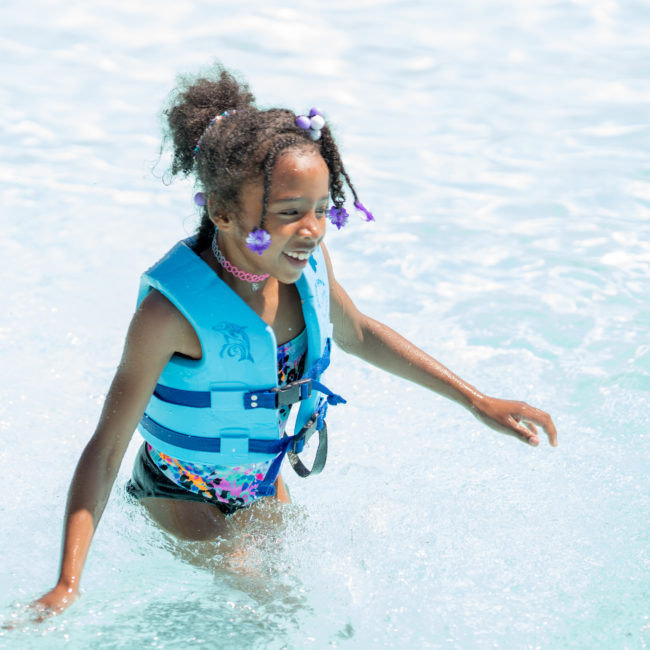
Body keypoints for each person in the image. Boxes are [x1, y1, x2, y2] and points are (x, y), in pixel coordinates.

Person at [32, 64, 557, 618]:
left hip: (259, 480)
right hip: (174, 490)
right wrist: (67, 584)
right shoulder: (170, 316)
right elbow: (106, 448)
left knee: (311, 600)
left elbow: (358, 333)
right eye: (290, 213)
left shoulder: (304, 269)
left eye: (322, 210)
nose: (313, 230)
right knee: (268, 596)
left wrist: (475, 400)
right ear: (222, 212)